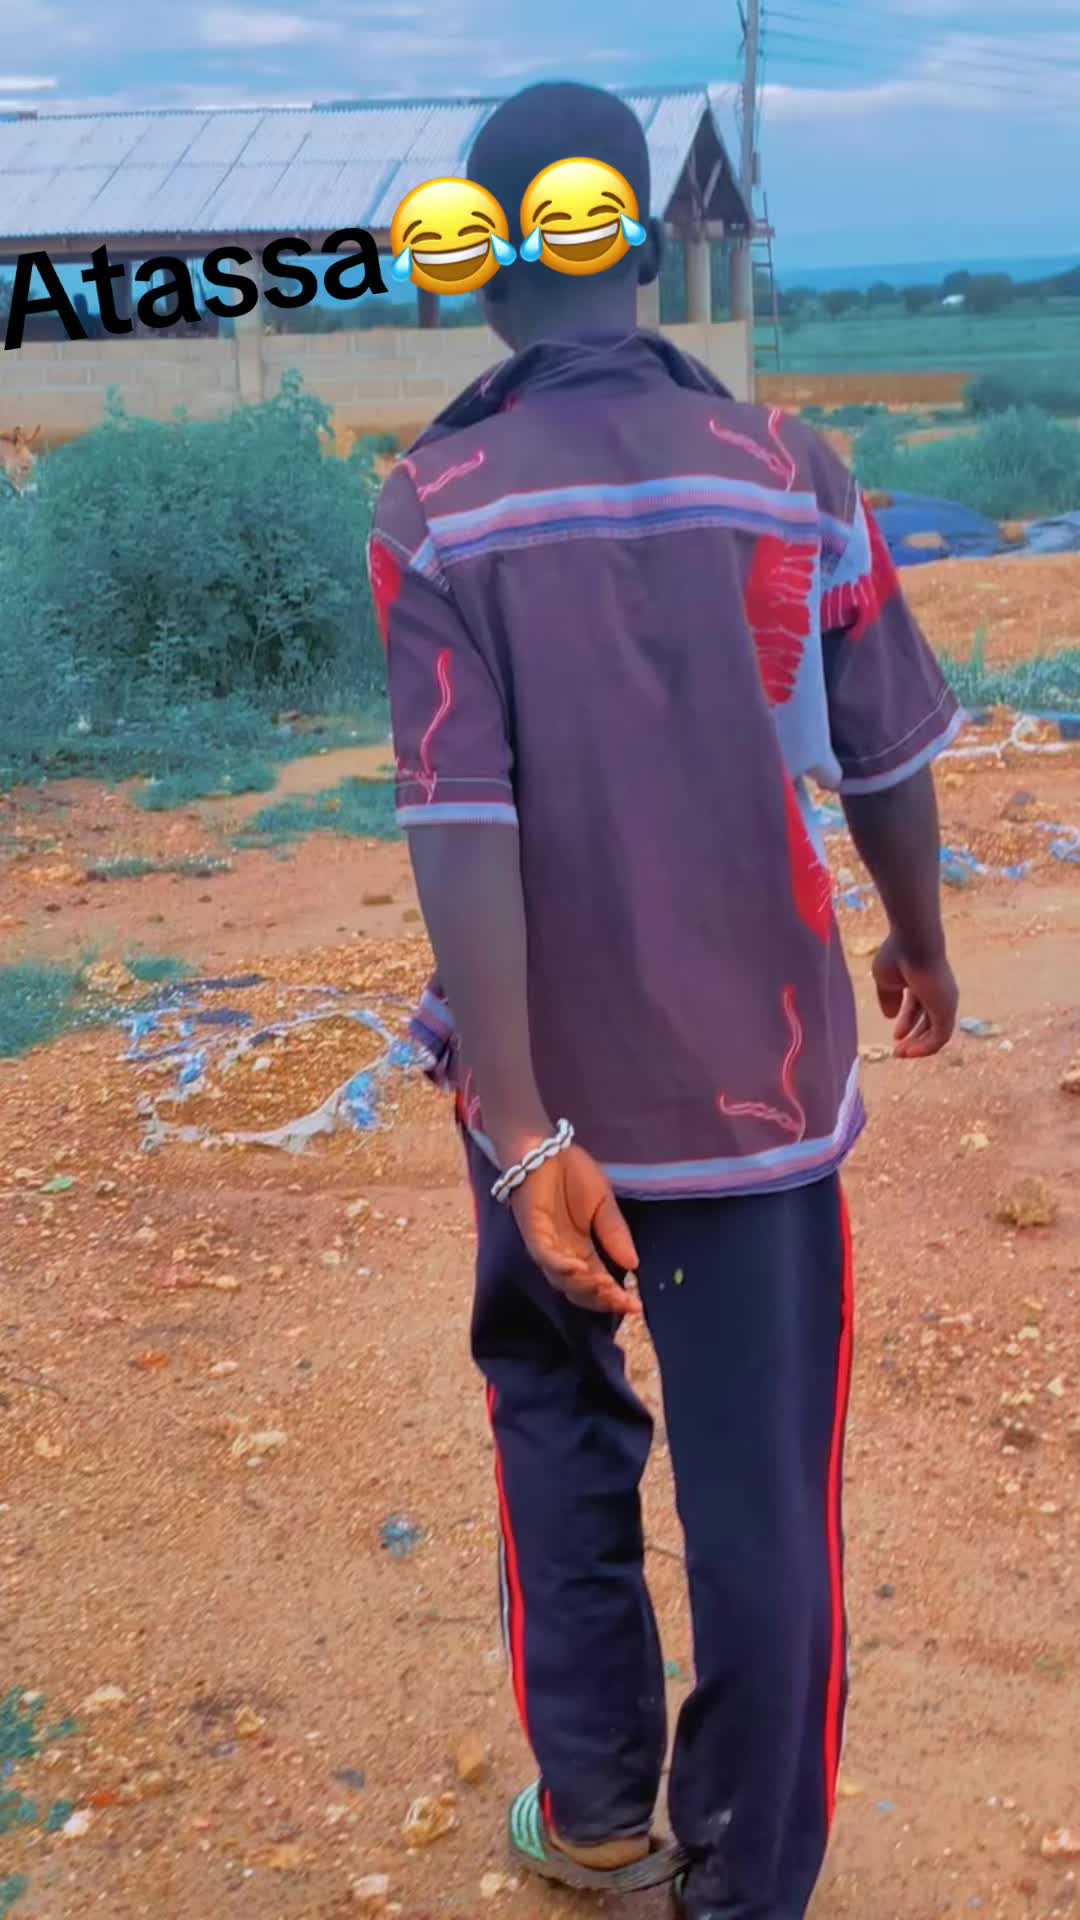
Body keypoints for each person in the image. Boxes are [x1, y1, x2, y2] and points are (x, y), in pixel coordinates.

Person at [369, 80, 961, 1920]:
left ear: (486, 272)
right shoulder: (790, 469)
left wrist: (522, 1124)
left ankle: (602, 1813)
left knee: (557, 1420)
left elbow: (462, 821)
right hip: (761, 1086)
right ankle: (747, 1884)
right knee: (763, 1494)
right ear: (638, 250)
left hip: (543, 1091)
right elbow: (883, 749)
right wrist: (920, 936)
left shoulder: (437, 502)